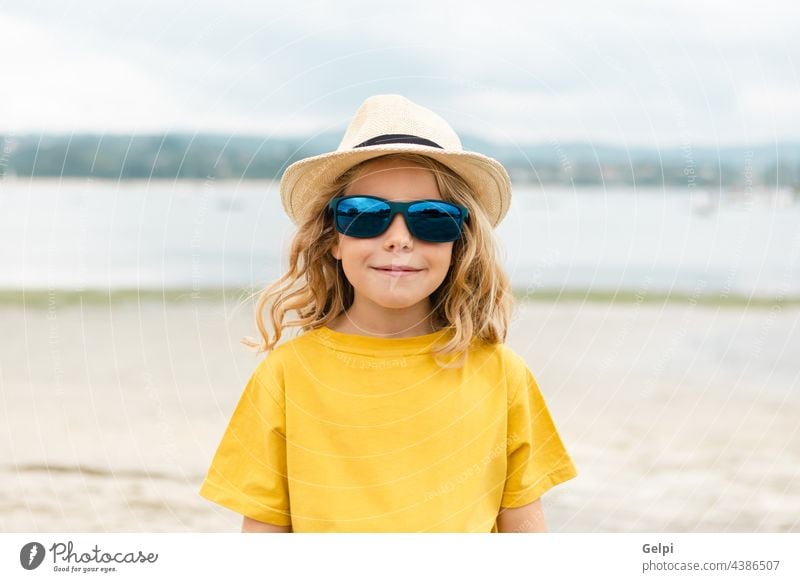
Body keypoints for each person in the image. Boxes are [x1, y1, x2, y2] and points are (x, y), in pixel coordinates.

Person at [199, 94, 577, 532]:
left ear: (460, 244)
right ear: (334, 239)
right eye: (365, 215)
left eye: (431, 218)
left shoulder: (502, 376)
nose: (398, 238)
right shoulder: (286, 376)